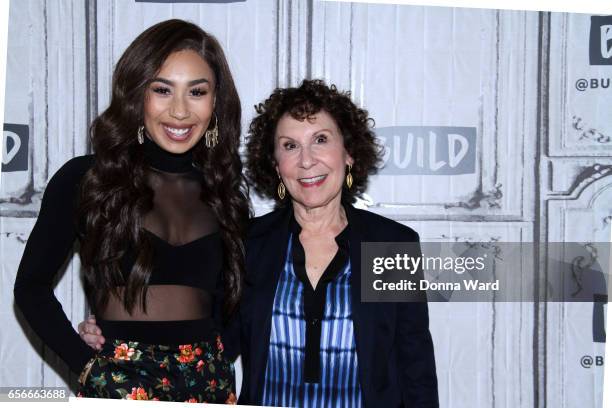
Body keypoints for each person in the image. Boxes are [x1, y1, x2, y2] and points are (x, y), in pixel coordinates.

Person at [80, 79, 439, 407]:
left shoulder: (392, 245)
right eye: (289, 146)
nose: (307, 160)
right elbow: (209, 340)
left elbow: (415, 366)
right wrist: (120, 330)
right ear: (276, 164)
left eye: (321, 140)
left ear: (348, 154)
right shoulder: (249, 242)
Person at [13, 19, 248, 403]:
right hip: (117, 383)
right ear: (137, 94)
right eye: (162, 89)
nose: (179, 110)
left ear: (215, 100)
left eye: (197, 92)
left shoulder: (224, 190)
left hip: (209, 386)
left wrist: (219, 358)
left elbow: (236, 304)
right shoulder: (87, 178)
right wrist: (86, 365)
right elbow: (30, 288)